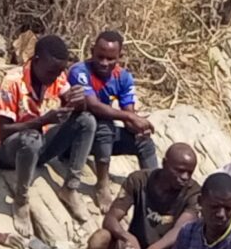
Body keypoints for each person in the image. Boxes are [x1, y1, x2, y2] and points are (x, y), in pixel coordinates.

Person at [83, 138, 198, 249]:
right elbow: (110, 219)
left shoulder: (193, 193)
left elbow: (181, 228)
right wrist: (128, 238)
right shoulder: (139, 181)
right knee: (100, 238)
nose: (185, 177)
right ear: (165, 164)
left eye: (189, 173)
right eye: (179, 170)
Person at [0, 34, 81, 215]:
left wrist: (78, 100)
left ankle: (70, 187)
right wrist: (43, 121)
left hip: (37, 146)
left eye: (59, 72)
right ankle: (21, 199)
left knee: (85, 120)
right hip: (7, 151)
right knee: (32, 137)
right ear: (36, 61)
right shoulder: (12, 82)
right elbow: (3, 132)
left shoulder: (56, 75)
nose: (55, 77)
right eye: (51, 72)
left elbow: (70, 100)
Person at [61, 29, 159, 196]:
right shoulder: (80, 71)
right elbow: (94, 106)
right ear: (92, 52)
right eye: (100, 57)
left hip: (99, 140)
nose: (104, 63)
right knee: (104, 124)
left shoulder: (123, 77)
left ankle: (154, 188)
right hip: (73, 139)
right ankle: (102, 184)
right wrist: (130, 117)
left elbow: (128, 112)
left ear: (120, 56)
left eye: (111, 58)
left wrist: (137, 126)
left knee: (144, 142)